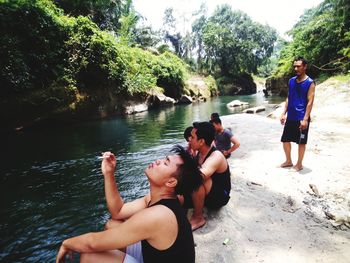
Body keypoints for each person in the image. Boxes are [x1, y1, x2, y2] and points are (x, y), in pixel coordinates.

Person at [56, 145, 203, 263]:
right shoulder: (163, 199)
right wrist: (109, 173)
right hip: (155, 256)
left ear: (171, 182)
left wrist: (66, 244)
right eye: (164, 159)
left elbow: (92, 243)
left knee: (90, 257)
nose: (158, 161)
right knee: (112, 224)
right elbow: (118, 211)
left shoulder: (157, 215)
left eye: (165, 163)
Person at [181, 121, 231, 231]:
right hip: (206, 194)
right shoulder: (199, 152)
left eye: (192, 137)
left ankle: (198, 218)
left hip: (220, 197)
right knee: (177, 198)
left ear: (201, 141)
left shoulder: (216, 155)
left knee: (198, 180)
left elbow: (199, 176)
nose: (189, 140)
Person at [280, 56, 316, 171]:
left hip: (301, 117)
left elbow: (310, 102)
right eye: (294, 66)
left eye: (299, 66)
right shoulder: (291, 81)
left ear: (305, 67)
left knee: (301, 142)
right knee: (285, 139)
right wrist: (283, 113)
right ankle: (288, 161)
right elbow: (289, 97)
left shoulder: (310, 83)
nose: (296, 68)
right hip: (291, 116)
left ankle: (299, 164)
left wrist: (305, 119)